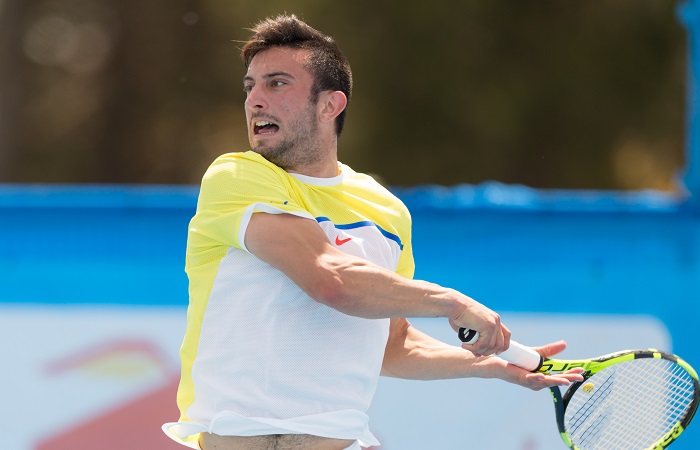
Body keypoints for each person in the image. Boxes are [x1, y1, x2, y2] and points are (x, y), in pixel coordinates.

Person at [162, 14, 583, 450]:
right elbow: (331, 279)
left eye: (277, 83)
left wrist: (485, 365)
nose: (255, 100)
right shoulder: (234, 176)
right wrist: (450, 302)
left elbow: (390, 343)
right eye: (250, 86)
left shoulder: (387, 211)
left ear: (330, 105)